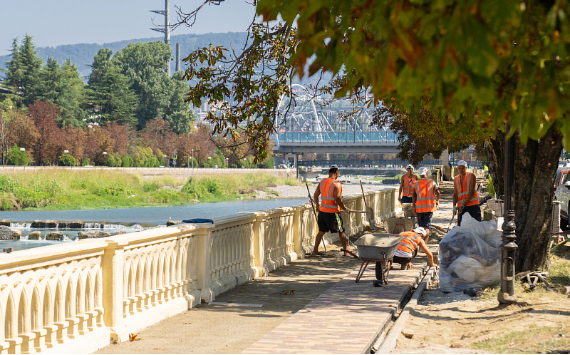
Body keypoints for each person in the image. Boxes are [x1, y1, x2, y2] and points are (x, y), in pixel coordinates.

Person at [312, 165, 351, 256]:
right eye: (338, 174)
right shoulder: (336, 183)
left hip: (322, 212)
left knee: (321, 231)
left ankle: (315, 251)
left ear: (329, 173)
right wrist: (345, 208)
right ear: (336, 173)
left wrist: (318, 205)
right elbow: (337, 198)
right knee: (341, 231)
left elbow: (315, 195)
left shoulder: (322, 182)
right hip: (333, 213)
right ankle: (346, 250)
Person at [412, 167, 440, 243]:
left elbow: (414, 196)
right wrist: (436, 201)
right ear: (427, 173)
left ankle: (421, 244)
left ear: (419, 174)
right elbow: (438, 193)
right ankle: (424, 244)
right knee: (426, 227)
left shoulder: (416, 183)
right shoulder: (431, 182)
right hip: (429, 208)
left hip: (419, 209)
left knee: (420, 227)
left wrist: (413, 207)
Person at [453, 160, 481, 226]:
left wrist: (463, 204)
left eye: (463, 168)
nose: (461, 170)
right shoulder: (456, 178)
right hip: (461, 207)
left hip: (472, 205)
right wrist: (454, 206)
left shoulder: (471, 176)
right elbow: (455, 194)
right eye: (459, 168)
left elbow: (472, 193)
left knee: (476, 225)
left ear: (466, 168)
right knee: (461, 226)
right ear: (457, 169)